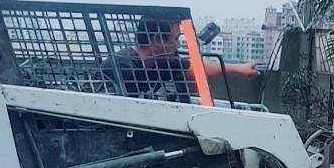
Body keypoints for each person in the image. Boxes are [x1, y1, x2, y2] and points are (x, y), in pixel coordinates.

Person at [102, 17, 258, 102]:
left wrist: (239, 69)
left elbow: (195, 67)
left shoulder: (160, 62)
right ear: (157, 39)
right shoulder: (123, 67)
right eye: (175, 39)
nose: (177, 45)